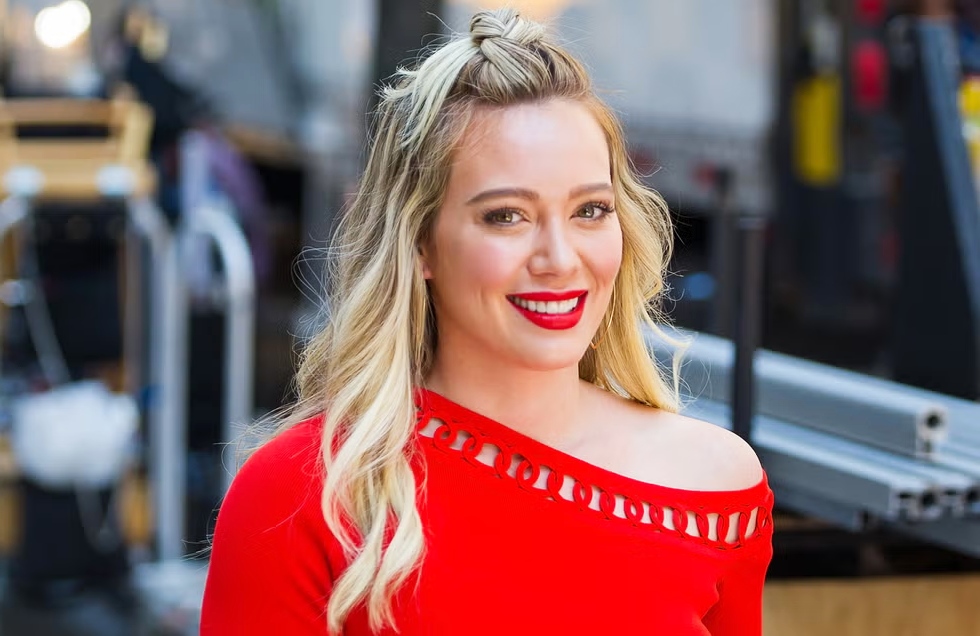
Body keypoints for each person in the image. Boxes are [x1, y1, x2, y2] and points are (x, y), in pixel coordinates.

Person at [200, 8, 773, 635]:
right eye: (506, 216)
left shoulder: (715, 488)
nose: (560, 259)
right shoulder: (299, 497)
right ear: (420, 244)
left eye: (589, 210)